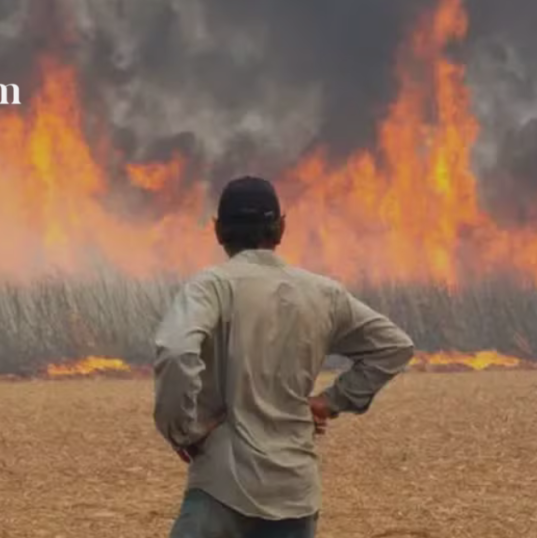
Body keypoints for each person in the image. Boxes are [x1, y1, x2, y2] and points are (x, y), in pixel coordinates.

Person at [152, 175, 415, 538]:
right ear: (281, 228)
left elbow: (177, 350)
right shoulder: (323, 294)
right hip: (295, 493)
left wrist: (183, 430)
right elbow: (394, 346)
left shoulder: (210, 287)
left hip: (220, 487)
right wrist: (329, 401)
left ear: (217, 230)